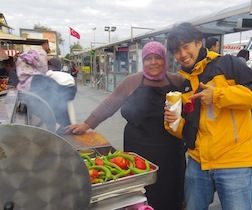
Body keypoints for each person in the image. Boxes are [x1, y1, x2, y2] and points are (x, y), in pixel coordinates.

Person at [164, 22, 252, 210]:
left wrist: (217, 96)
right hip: (197, 164)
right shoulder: (185, 84)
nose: (182, 54)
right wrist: (174, 124)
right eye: (176, 50)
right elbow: (190, 131)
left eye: (186, 46)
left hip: (235, 164)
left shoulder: (227, 64)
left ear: (199, 43)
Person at [66, 41, 187, 210]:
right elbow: (110, 104)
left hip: (171, 149)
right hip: (139, 148)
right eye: (148, 58)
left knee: (170, 189)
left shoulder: (178, 80)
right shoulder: (133, 81)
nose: (153, 62)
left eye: (158, 57)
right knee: (142, 192)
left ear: (165, 60)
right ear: (142, 61)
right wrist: (87, 124)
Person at [16, 50, 77, 129]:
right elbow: (67, 95)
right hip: (54, 127)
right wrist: (70, 84)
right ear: (39, 64)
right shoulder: (41, 80)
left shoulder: (23, 81)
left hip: (36, 124)